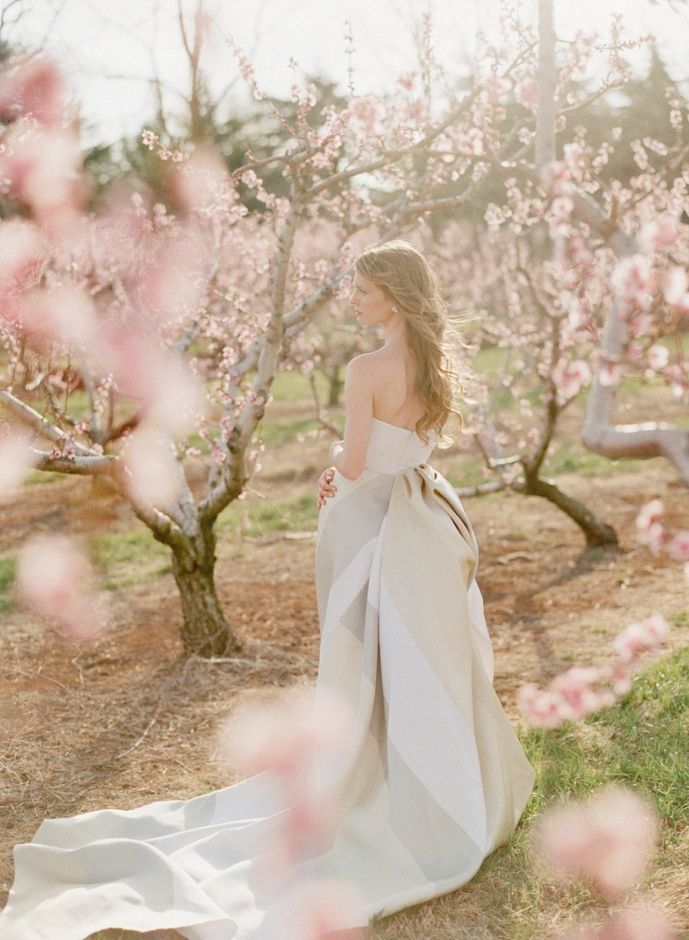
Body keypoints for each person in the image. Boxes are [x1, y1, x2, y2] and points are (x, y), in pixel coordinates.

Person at [0, 240, 534, 939]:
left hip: (376, 524)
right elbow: (412, 447)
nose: (353, 299)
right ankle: (442, 785)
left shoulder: (366, 367)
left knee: (369, 664)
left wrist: (329, 478)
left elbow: (352, 459)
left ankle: (377, 780)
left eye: (364, 290)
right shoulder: (429, 364)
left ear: (396, 298)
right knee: (426, 662)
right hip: (429, 521)